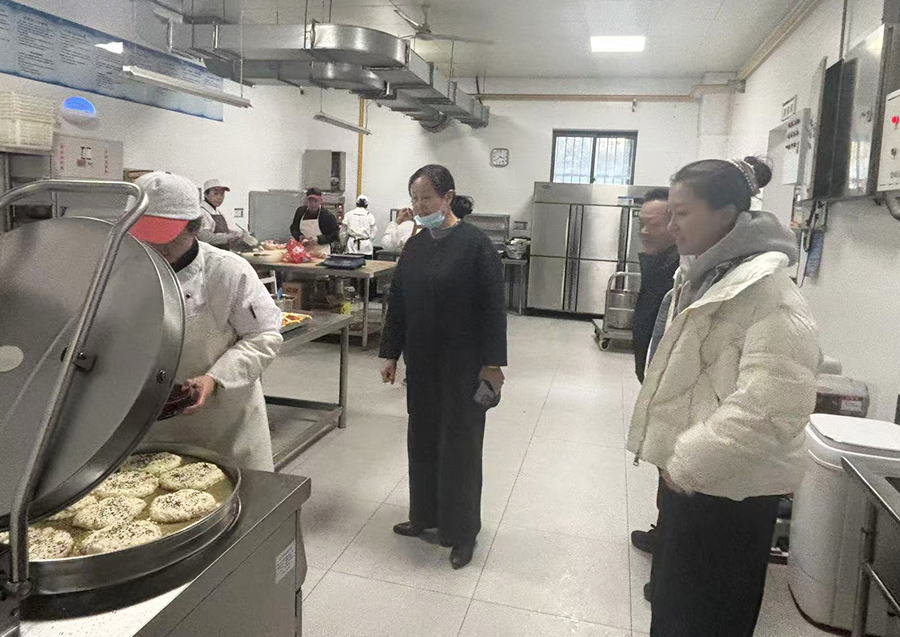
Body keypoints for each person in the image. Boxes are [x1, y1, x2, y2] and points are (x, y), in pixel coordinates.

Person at [627, 157, 819, 636]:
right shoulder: (707, 273)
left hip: (730, 490)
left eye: (681, 214)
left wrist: (688, 460)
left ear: (727, 214)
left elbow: (773, 407)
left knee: (705, 617)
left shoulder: (769, 293)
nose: (670, 225)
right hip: (693, 481)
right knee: (672, 608)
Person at [379, 164, 507, 570]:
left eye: (427, 199)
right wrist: (390, 352)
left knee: (460, 447)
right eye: (415, 199)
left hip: (464, 366)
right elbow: (398, 303)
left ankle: (462, 531)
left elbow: (493, 309)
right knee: (421, 439)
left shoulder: (476, 245)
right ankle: (424, 516)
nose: (420, 206)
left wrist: (493, 365)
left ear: (447, 198)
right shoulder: (415, 245)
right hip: (422, 364)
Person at [129, 171, 283, 471]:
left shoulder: (227, 272)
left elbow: (264, 336)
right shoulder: (121, 270)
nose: (156, 246)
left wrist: (214, 379)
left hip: (223, 424)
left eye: (167, 237)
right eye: (144, 236)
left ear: (194, 228)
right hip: (148, 424)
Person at [629, 188, 679, 581]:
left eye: (652, 224)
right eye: (641, 223)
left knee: (674, 467)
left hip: (673, 384)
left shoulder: (680, 269)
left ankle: (670, 552)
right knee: (664, 461)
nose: (644, 231)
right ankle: (664, 535)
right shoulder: (659, 261)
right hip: (655, 377)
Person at [199, 178, 258, 250]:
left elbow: (224, 231)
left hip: (221, 251)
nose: (219, 197)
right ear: (206, 194)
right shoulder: (201, 212)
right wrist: (230, 236)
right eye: (215, 194)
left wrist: (238, 233)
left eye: (222, 194)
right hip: (209, 253)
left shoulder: (218, 212)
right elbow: (205, 238)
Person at [290, 187, 339, 255]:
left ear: (321, 201)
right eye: (310, 201)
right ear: (306, 201)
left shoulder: (327, 215)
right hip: (303, 253)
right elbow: (293, 228)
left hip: (321, 253)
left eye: (316, 201)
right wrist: (299, 236)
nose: (313, 204)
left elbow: (334, 235)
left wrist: (319, 239)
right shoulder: (300, 212)